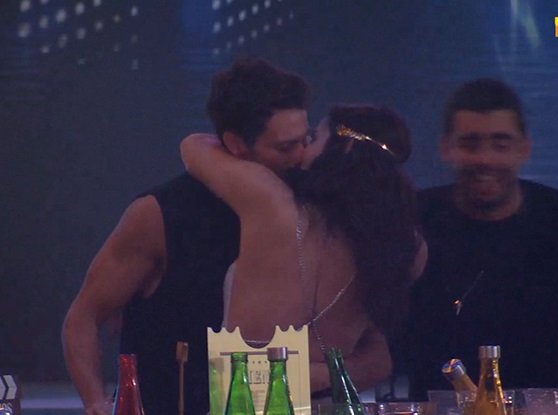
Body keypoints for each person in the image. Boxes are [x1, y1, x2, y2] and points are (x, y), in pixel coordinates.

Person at [62, 58, 312, 415]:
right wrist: (96, 403)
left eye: (306, 140)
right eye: (286, 148)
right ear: (235, 144)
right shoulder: (161, 214)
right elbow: (83, 317)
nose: (303, 156)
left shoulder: (307, 202)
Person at [180, 104, 427, 396]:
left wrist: (263, 147)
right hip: (328, 403)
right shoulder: (406, 247)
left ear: (345, 147)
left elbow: (193, 147)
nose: (300, 152)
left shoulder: (274, 204)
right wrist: (318, 373)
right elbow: (377, 362)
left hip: (245, 401)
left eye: (311, 139)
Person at [400, 78, 558, 400]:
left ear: (524, 149)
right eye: (470, 144)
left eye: (500, 145)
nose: (485, 159)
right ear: (445, 148)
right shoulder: (409, 221)